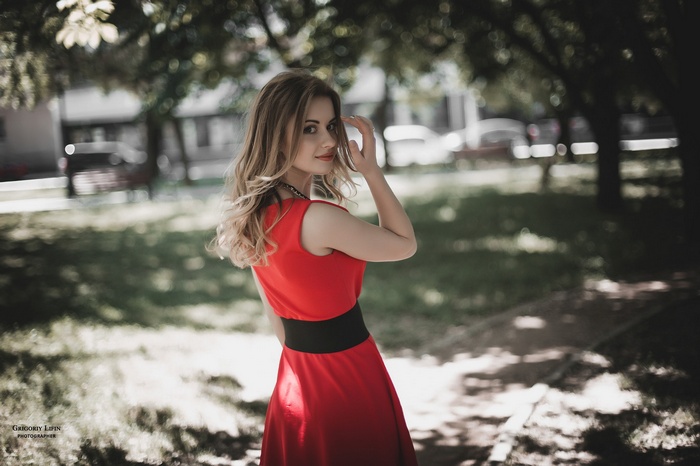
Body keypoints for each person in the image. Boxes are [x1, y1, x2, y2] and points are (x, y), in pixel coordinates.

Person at [214, 69, 418, 466]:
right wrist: (372, 172)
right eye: (309, 129)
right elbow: (405, 245)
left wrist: (305, 371)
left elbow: (277, 319)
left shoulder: (254, 216)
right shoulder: (318, 218)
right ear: (276, 134)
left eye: (329, 126)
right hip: (347, 378)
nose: (328, 141)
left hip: (296, 381)